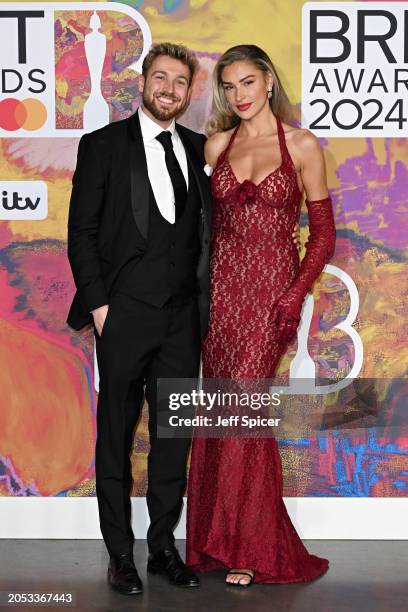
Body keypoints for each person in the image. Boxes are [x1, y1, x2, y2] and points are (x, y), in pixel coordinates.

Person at [186, 44, 336, 587]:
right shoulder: (216, 145)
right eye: (228, 86)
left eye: (247, 82)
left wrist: (294, 294)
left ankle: (248, 546)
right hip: (220, 299)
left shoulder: (301, 144)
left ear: (268, 81)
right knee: (222, 411)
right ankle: (211, 541)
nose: (238, 95)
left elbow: (323, 233)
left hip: (271, 297)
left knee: (244, 410)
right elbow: (194, 227)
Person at [66, 42, 212, 595]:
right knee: (116, 436)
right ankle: (119, 554)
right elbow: (81, 234)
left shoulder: (200, 149)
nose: (169, 88)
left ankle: (162, 549)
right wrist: (101, 307)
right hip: (122, 316)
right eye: (161, 77)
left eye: (180, 81)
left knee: (173, 438)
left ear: (189, 91)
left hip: (181, 320)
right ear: (144, 82)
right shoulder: (102, 145)